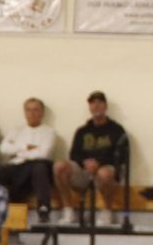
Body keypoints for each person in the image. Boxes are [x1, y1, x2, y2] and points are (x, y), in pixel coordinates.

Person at [53, 91, 128, 226]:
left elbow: (120, 156)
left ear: (105, 106)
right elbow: (74, 154)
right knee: (59, 166)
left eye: (99, 103)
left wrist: (99, 163)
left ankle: (107, 212)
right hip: (84, 171)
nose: (96, 106)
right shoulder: (82, 131)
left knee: (104, 173)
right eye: (92, 103)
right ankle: (68, 211)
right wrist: (85, 162)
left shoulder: (117, 130)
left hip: (105, 170)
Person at [0, 97, 56, 224]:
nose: (32, 113)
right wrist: (26, 147)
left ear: (42, 113)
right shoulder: (16, 130)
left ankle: (43, 209)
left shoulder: (49, 132)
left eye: (36, 110)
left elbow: (43, 154)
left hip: (37, 167)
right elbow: (3, 148)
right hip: (17, 167)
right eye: (28, 110)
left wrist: (18, 151)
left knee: (39, 167)